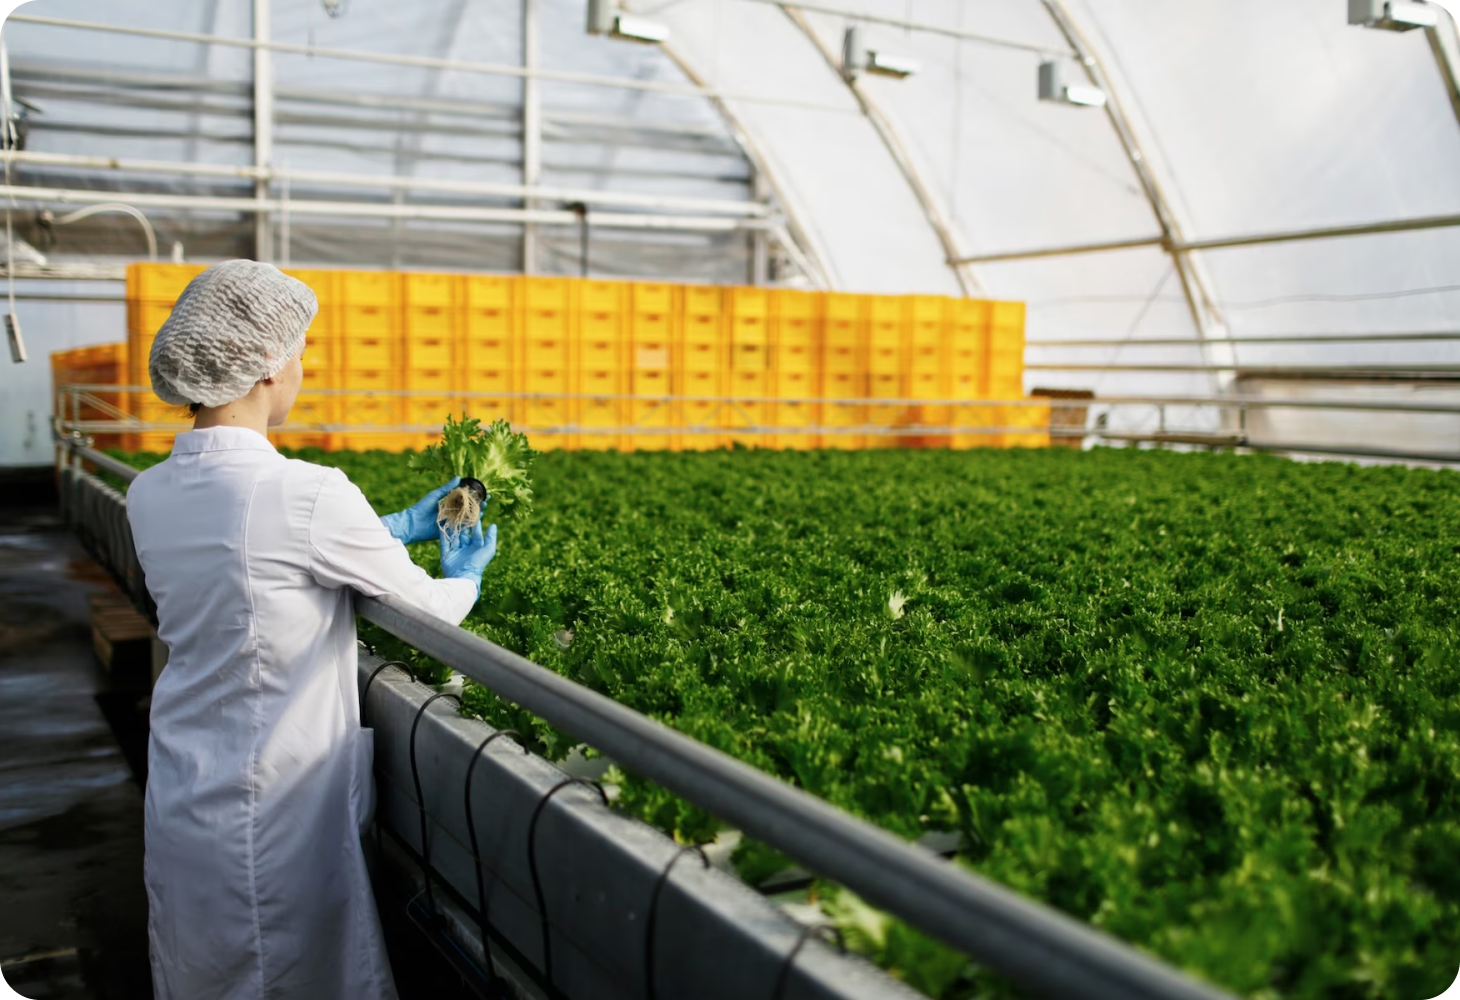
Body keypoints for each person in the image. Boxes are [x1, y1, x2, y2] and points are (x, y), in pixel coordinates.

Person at [126, 260, 496, 1000]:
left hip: (185, 782)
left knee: (202, 969)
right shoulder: (306, 491)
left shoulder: (148, 490)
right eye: (300, 351)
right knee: (283, 975)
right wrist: (467, 576)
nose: (303, 367)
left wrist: (389, 527)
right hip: (272, 801)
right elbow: (426, 609)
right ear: (268, 364)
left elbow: (252, 556)